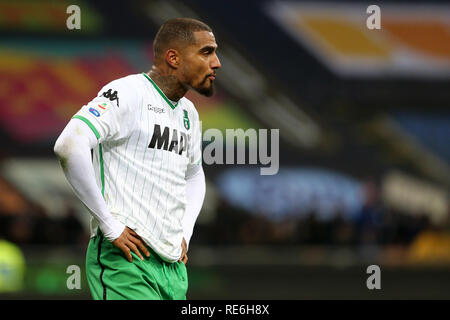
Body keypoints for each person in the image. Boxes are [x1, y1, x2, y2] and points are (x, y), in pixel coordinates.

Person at [54, 17, 221, 300]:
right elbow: (70, 145)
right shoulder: (127, 93)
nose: (216, 63)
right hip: (127, 259)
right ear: (173, 57)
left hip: (173, 267)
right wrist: (108, 224)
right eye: (207, 52)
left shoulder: (188, 113)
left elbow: (194, 173)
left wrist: (185, 233)